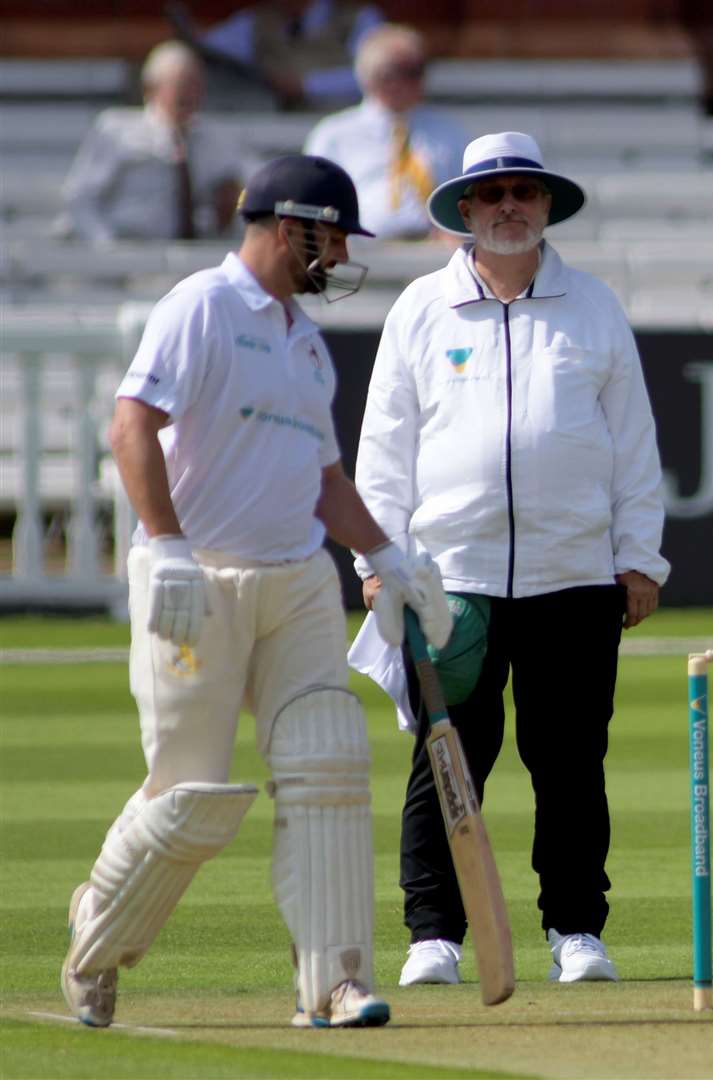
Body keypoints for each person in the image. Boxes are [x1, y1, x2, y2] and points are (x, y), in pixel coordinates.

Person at [60, 154, 453, 1030]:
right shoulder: (201, 306)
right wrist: (166, 550)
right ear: (292, 226)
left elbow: (323, 480)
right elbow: (131, 422)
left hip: (299, 582)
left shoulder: (305, 344)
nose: (342, 253)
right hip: (199, 580)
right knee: (191, 795)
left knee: (329, 762)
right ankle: (96, 936)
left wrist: (394, 557)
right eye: (334, 235)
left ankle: (335, 981)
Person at [347, 131, 670, 989]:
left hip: (574, 574)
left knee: (569, 759)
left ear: (546, 205)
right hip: (450, 577)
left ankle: (576, 929)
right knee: (449, 755)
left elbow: (634, 445)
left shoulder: (592, 306)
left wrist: (640, 558)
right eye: (491, 195)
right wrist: (377, 563)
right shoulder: (419, 308)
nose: (508, 207)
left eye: (524, 192)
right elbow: (385, 448)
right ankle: (433, 934)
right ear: (463, 210)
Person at [61, 41, 247, 246]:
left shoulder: (215, 138)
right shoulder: (116, 130)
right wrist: (109, 250)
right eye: (180, 85)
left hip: (191, 259)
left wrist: (228, 212)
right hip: (127, 256)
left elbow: (244, 187)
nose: (190, 94)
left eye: (195, 85)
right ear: (152, 88)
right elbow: (81, 198)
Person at [303, 23, 469, 242]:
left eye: (419, 70)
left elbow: (469, 194)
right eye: (404, 71)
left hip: (435, 253)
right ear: (373, 75)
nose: (416, 80)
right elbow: (315, 202)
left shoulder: (449, 131)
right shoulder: (334, 134)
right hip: (361, 253)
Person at [199, 0, 383, 110]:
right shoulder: (259, 19)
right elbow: (209, 48)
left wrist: (306, 86)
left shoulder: (358, 17)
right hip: (274, 128)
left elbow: (373, 77)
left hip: (340, 127)